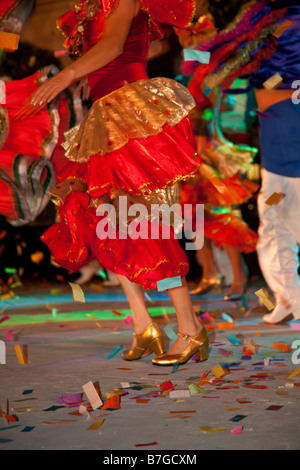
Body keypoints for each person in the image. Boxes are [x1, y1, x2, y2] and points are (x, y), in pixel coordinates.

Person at [17, 0, 209, 365]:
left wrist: (66, 76)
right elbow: (135, 47)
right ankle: (143, 324)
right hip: (104, 117)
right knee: (106, 225)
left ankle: (190, 326)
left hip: (131, 114)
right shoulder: (89, 9)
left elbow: (114, 46)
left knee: (144, 225)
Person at [182, 0, 300, 324]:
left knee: (289, 215)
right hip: (277, 139)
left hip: (289, 137)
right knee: (273, 222)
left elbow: (238, 71)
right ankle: (289, 297)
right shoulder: (268, 22)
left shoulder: (282, 22)